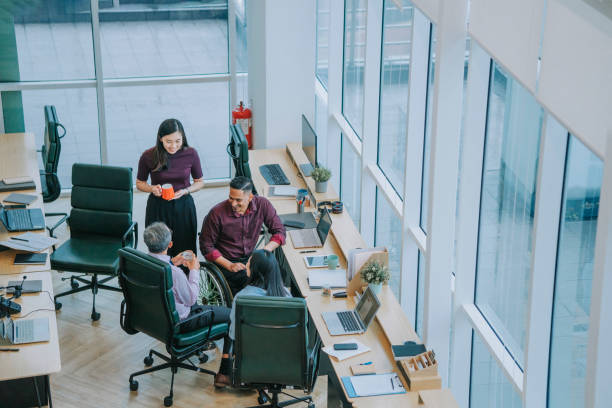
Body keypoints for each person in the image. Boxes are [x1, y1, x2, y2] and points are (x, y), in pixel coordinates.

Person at [214, 249, 291, 388]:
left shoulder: (241, 298)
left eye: (249, 263)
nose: (246, 264)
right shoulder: (288, 297)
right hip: (282, 360)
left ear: (254, 271)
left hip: (250, 360)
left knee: (230, 326)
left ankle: (225, 374)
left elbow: (233, 335)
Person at [200, 176, 286, 295]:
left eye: (238, 200)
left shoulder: (263, 204)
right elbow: (206, 246)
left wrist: (263, 252)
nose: (233, 204)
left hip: (251, 258)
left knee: (279, 274)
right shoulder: (216, 213)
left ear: (250, 197)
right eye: (231, 198)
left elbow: (279, 232)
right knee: (254, 284)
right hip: (226, 262)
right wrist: (229, 265)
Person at [143, 222, 231, 333]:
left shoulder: (141, 261)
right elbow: (190, 299)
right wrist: (194, 269)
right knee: (231, 314)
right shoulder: (175, 274)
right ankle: (227, 350)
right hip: (181, 321)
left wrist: (172, 262)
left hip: (155, 315)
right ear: (170, 244)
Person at [137, 119, 204, 257]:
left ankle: (185, 278)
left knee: (185, 247)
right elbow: (139, 183)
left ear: (183, 138)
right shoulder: (148, 156)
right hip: (158, 206)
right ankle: (161, 277)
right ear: (160, 138)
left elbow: (199, 182)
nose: (173, 146)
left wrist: (186, 190)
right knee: (158, 248)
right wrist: (151, 188)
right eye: (168, 141)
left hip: (183, 206)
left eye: (178, 141)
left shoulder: (191, 153)